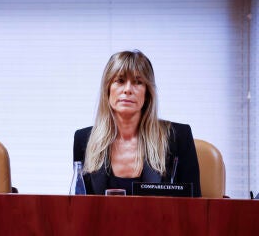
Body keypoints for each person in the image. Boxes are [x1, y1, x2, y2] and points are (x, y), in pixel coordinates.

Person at [73, 50, 201, 197]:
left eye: (138, 82)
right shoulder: (84, 140)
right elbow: (80, 207)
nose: (127, 90)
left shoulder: (178, 137)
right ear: (107, 89)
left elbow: (195, 207)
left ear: (147, 93)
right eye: (120, 81)